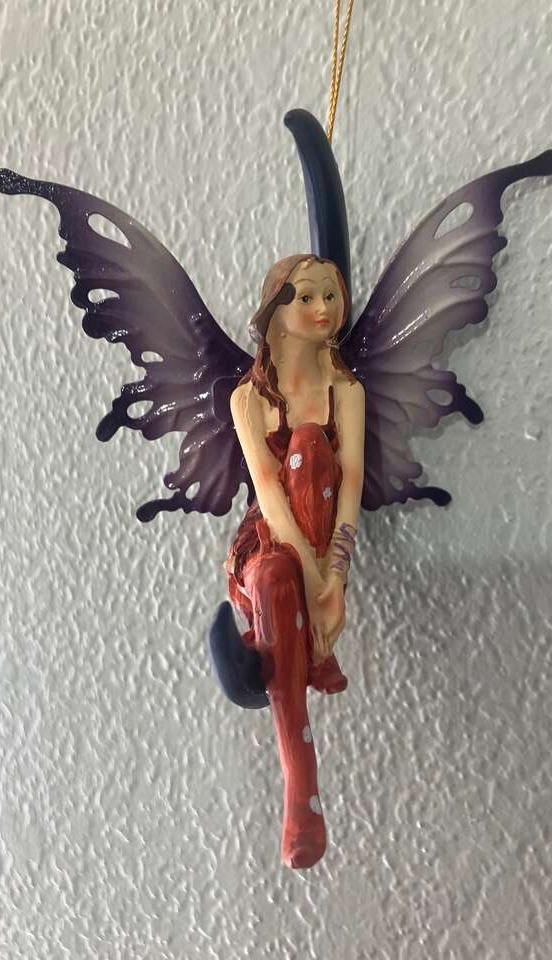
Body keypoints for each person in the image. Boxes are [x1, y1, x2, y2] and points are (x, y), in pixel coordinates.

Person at [225, 254, 365, 869]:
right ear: (276, 309)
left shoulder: (346, 392)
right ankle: (300, 782)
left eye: (331, 295)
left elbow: (352, 482)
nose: (324, 308)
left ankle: (300, 802)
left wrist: (337, 578)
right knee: (274, 574)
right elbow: (267, 492)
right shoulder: (247, 400)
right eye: (306, 296)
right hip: (267, 549)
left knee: (310, 445)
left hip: (325, 550)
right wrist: (315, 585)